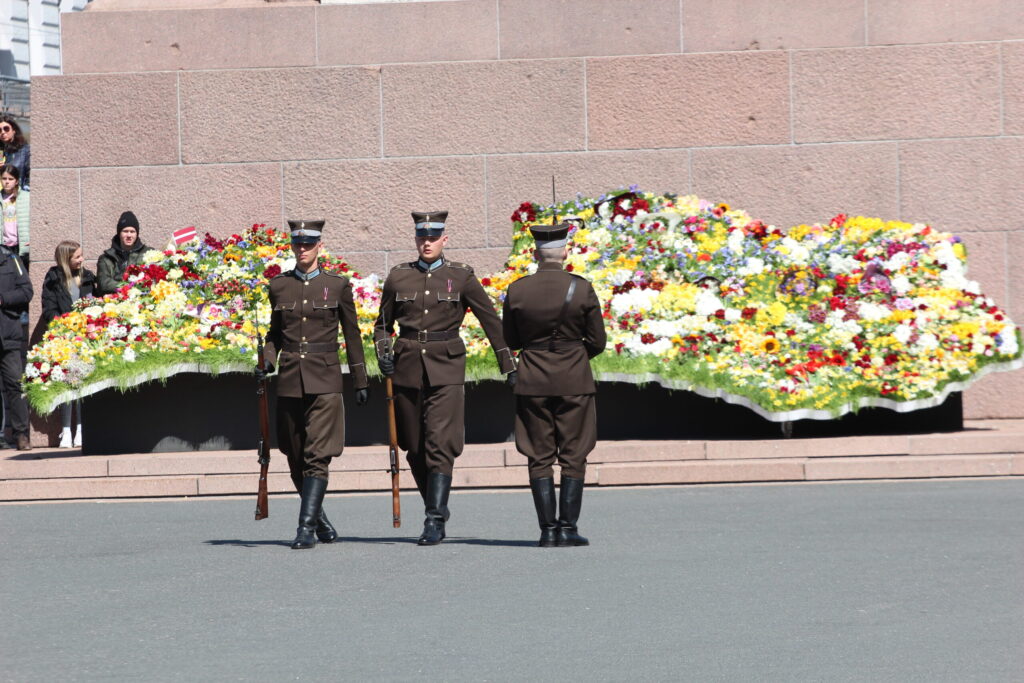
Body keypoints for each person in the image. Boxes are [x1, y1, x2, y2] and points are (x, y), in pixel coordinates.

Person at [373, 211, 517, 545]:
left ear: (444, 239)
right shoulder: (399, 277)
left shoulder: (461, 276)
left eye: (434, 237)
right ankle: (435, 505)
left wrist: (508, 365)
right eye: (422, 237)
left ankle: (434, 519)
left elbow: (490, 321)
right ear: (415, 239)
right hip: (407, 368)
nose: (427, 243)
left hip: (446, 369)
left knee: (440, 443)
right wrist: (383, 353)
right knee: (414, 446)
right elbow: (382, 324)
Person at [261, 219, 370, 550]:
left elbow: (352, 334)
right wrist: (267, 360)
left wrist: (360, 379)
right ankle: (320, 519)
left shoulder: (336, 286)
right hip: (290, 380)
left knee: (317, 455)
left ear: (319, 246)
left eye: (309, 244)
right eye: (298, 244)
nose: (303, 249)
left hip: (325, 380)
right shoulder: (279, 286)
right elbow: (275, 334)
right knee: (293, 453)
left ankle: (305, 528)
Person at [501, 223, 607, 547]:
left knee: (539, 455)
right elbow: (598, 341)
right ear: (565, 252)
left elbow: (512, 340)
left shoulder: (518, 290)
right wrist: (573, 356)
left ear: (535, 253)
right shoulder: (582, 288)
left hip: (532, 380)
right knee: (574, 453)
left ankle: (547, 530)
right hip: (574, 380)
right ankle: (567, 528)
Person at [41, 241, 96, 448]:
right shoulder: (53, 280)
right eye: (77, 257)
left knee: (82, 383)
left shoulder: (88, 277)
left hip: (85, 337)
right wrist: (64, 325)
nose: (82, 260)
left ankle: (81, 429)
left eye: (82, 255)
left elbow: (95, 303)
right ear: (66, 259)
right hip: (63, 338)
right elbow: (49, 309)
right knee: (66, 383)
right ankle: (66, 430)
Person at [0, 241, 31, 450]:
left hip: (7, 333)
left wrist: (3, 299)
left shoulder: (11, 259)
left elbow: (26, 291)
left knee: (15, 384)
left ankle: (21, 435)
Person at [96, 211, 150, 295]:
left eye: (132, 232)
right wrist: (130, 287)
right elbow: (104, 284)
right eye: (125, 231)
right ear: (119, 233)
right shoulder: (106, 258)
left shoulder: (148, 254)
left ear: (137, 234)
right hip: (113, 301)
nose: (129, 235)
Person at [0, 164, 28, 264]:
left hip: (20, 246)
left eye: (10, 179)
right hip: (3, 246)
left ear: (16, 181)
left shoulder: (26, 197)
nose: (7, 182)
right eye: (4, 178)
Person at [0, 116, 29, 192]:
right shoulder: (1, 150)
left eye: (6, 129)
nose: (2, 132)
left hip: (16, 194)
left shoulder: (25, 150)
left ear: (14, 130)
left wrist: (24, 193)